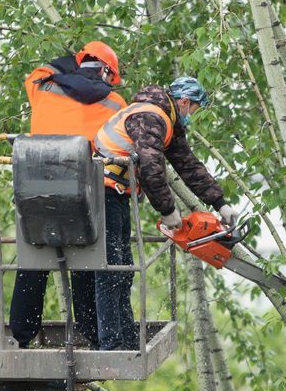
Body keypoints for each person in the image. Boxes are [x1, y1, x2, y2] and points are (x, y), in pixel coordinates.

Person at [92, 76, 237, 351]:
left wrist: (220, 204)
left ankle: (124, 338)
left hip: (116, 194)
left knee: (123, 269)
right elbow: (150, 166)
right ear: (184, 101)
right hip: (101, 192)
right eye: (194, 108)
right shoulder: (151, 117)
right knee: (112, 268)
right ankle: (111, 343)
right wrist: (169, 211)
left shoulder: (165, 120)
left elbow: (188, 165)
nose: (193, 114)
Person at [9, 41, 127, 348]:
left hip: (36, 187)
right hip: (85, 192)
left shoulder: (44, 87)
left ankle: (21, 335)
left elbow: (42, 69)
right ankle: (90, 331)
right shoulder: (116, 103)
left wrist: (74, 63)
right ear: (106, 72)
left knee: (34, 260)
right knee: (87, 258)